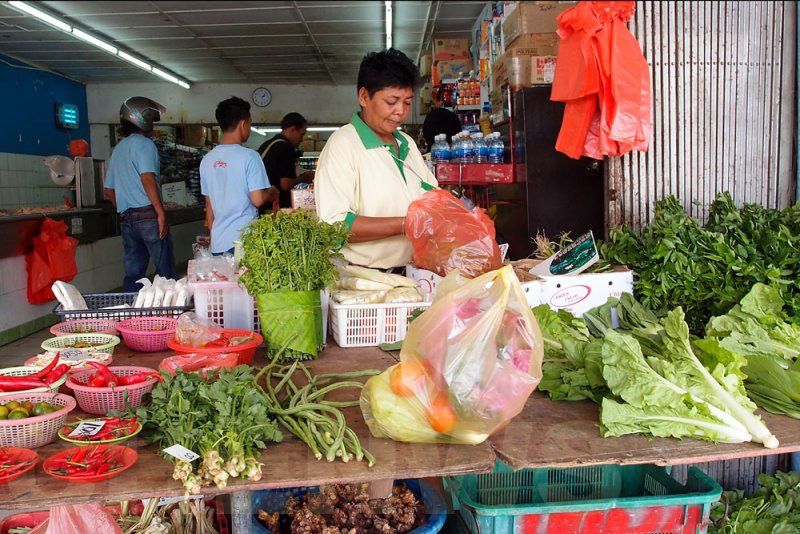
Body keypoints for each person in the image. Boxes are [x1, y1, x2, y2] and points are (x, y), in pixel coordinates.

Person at [315, 48, 438, 270]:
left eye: (407, 102)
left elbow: (433, 197)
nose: (401, 111)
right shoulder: (343, 145)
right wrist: (406, 224)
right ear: (364, 97)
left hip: (414, 273)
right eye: (391, 101)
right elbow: (334, 227)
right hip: (365, 279)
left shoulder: (406, 143)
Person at [104, 96, 176, 292]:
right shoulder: (145, 145)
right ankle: (170, 315)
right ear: (143, 119)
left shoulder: (118, 149)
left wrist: (127, 209)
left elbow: (108, 190)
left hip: (127, 218)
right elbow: (147, 179)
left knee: (134, 273)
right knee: (165, 271)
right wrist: (160, 212)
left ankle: (131, 314)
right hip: (148, 215)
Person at [200, 96, 277, 255]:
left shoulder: (207, 160)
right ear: (243, 124)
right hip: (245, 241)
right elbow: (258, 199)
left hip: (218, 243)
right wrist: (272, 192)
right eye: (250, 124)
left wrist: (213, 240)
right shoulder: (250, 156)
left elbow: (209, 206)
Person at [257, 112, 315, 213]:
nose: (301, 140)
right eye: (301, 135)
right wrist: (305, 177)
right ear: (293, 129)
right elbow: (285, 184)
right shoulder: (285, 148)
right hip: (276, 207)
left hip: (262, 205)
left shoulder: (267, 144)